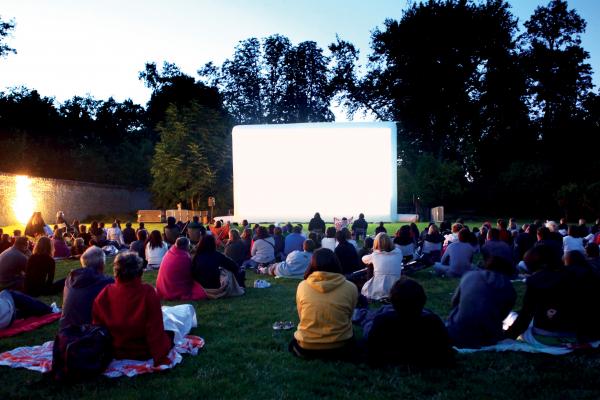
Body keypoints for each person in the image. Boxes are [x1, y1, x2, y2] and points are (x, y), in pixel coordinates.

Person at [92, 252, 173, 366]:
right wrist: (160, 355)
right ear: (139, 271)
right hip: (143, 351)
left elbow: (98, 326)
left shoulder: (105, 293)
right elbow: (155, 329)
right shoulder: (147, 292)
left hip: (115, 350)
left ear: (116, 271)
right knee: (172, 331)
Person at [362, 278, 454, 367]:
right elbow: (446, 352)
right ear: (423, 300)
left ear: (392, 302)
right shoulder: (433, 322)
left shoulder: (382, 322)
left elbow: (372, 353)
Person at [289, 248, 358, 361]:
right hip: (341, 346)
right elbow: (349, 316)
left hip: (306, 347)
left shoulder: (302, 286)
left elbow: (301, 315)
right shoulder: (350, 287)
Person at [505, 246, 578, 343]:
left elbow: (525, 317)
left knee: (510, 317)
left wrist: (507, 336)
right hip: (580, 333)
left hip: (548, 336)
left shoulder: (536, 281)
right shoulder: (577, 274)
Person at [446, 257, 516, 348]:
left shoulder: (469, 276)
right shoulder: (509, 289)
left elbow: (454, 302)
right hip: (487, 338)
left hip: (455, 332)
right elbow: (502, 315)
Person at [59, 246, 114, 330]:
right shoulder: (107, 283)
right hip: (90, 335)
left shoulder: (70, 279)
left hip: (65, 331)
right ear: (102, 264)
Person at [361, 233, 403, 300]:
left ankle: (370, 285)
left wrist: (372, 253)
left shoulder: (375, 255)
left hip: (380, 289)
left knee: (370, 265)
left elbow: (363, 259)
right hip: (397, 287)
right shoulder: (398, 252)